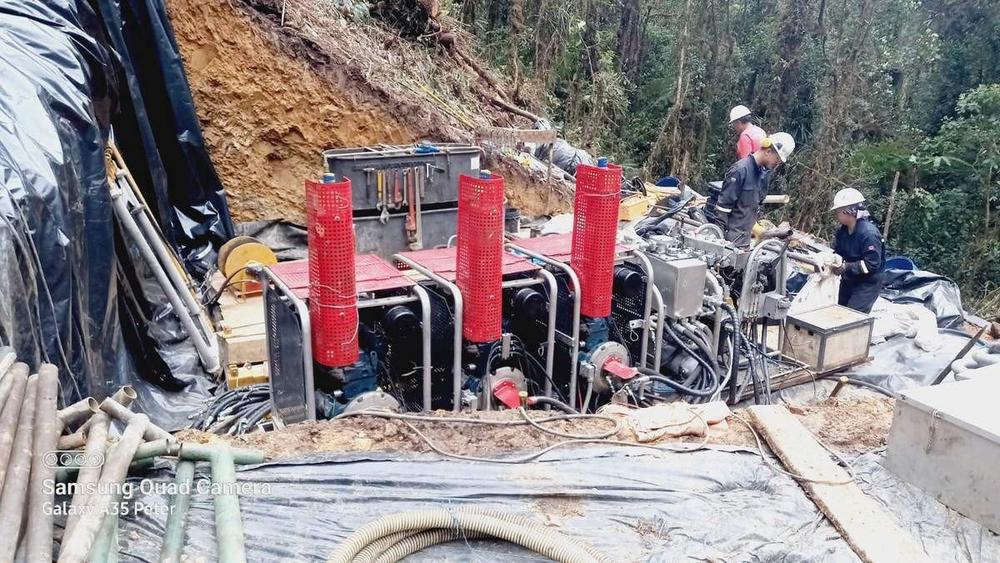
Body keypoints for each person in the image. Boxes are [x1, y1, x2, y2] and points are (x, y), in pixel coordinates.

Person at [712, 132, 795, 247]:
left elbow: (755, 205)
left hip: (744, 241)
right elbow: (722, 210)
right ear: (768, 151)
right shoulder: (740, 170)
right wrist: (719, 243)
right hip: (729, 242)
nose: (778, 163)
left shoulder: (763, 175)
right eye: (777, 158)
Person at [830, 188, 885, 313]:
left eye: (838, 212)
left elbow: (872, 264)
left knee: (853, 315)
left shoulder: (868, 234)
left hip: (867, 283)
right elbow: (838, 252)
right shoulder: (843, 231)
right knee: (840, 311)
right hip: (849, 279)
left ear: (849, 211)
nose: (836, 215)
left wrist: (847, 267)